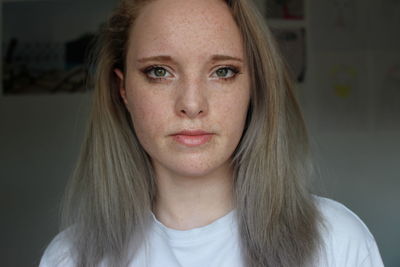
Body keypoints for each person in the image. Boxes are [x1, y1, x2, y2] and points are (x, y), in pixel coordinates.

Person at [39, 0, 384, 266]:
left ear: (254, 87)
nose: (192, 104)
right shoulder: (70, 258)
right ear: (124, 89)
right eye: (160, 71)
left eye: (222, 71)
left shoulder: (334, 241)